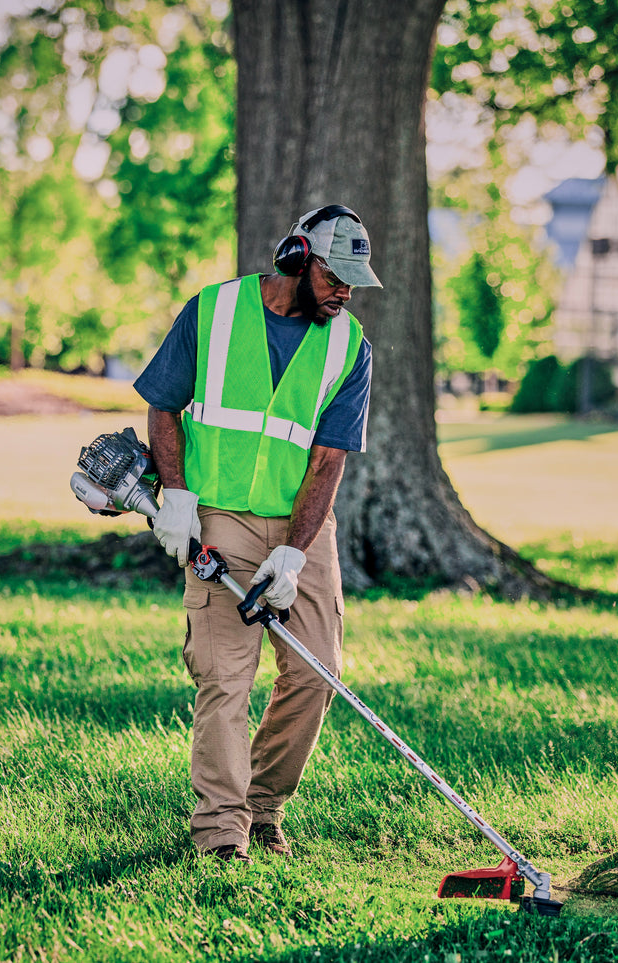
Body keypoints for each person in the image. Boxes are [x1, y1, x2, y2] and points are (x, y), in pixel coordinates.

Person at [134, 204, 376, 862]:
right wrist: (177, 496)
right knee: (224, 675)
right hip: (219, 514)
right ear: (297, 257)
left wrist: (294, 553)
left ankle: (262, 805)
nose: (344, 291)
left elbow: (328, 459)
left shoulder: (348, 345)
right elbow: (163, 403)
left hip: (301, 520)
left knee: (312, 674)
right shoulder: (212, 311)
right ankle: (220, 830)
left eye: (354, 280)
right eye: (334, 275)